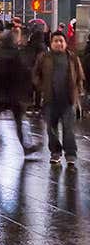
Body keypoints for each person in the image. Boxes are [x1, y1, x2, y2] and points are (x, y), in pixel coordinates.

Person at [0, 27, 41, 162]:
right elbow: (25, 75)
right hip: (14, 96)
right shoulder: (17, 54)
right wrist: (25, 94)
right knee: (20, 123)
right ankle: (26, 147)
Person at [33, 32, 85, 165]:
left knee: (69, 129)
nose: (58, 43)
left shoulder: (72, 58)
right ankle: (55, 153)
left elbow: (80, 76)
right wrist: (42, 87)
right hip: (50, 100)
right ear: (51, 43)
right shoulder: (44, 57)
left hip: (68, 100)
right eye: (55, 41)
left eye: (61, 41)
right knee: (51, 129)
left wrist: (78, 91)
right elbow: (36, 74)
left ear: (65, 43)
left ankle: (71, 154)